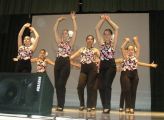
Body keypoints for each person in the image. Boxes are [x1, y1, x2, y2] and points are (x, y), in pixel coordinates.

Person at [120, 36, 157, 114]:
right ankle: (128, 106)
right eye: (129, 49)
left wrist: (135, 40)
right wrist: (126, 41)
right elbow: (121, 47)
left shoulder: (135, 57)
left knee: (133, 91)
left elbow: (139, 48)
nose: (130, 51)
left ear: (134, 50)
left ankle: (131, 108)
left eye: (132, 49)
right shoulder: (125, 56)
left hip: (134, 74)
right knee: (127, 90)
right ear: (127, 51)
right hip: (126, 74)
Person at [53, 11, 77, 111]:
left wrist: (73, 19)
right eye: (63, 33)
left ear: (68, 35)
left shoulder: (70, 43)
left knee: (61, 84)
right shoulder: (59, 42)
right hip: (58, 62)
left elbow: (75, 30)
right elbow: (54, 29)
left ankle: (61, 105)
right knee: (57, 84)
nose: (64, 34)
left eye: (66, 33)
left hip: (65, 63)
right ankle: (59, 104)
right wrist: (58, 21)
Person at [95, 14, 119, 113]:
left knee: (107, 85)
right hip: (103, 65)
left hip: (111, 66)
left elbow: (117, 28)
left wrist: (108, 19)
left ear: (111, 35)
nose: (106, 35)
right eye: (104, 34)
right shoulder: (101, 43)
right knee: (101, 86)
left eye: (108, 34)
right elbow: (96, 28)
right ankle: (105, 105)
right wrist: (102, 19)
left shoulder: (113, 43)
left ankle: (107, 106)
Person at [70, 35, 100, 112]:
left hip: (92, 70)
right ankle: (82, 104)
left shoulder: (95, 50)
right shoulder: (82, 49)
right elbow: (72, 57)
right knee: (80, 87)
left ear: (93, 41)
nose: (89, 40)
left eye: (91, 39)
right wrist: (68, 59)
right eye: (88, 39)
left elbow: (103, 58)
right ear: (86, 40)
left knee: (90, 87)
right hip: (83, 70)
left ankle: (89, 105)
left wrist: (98, 62)